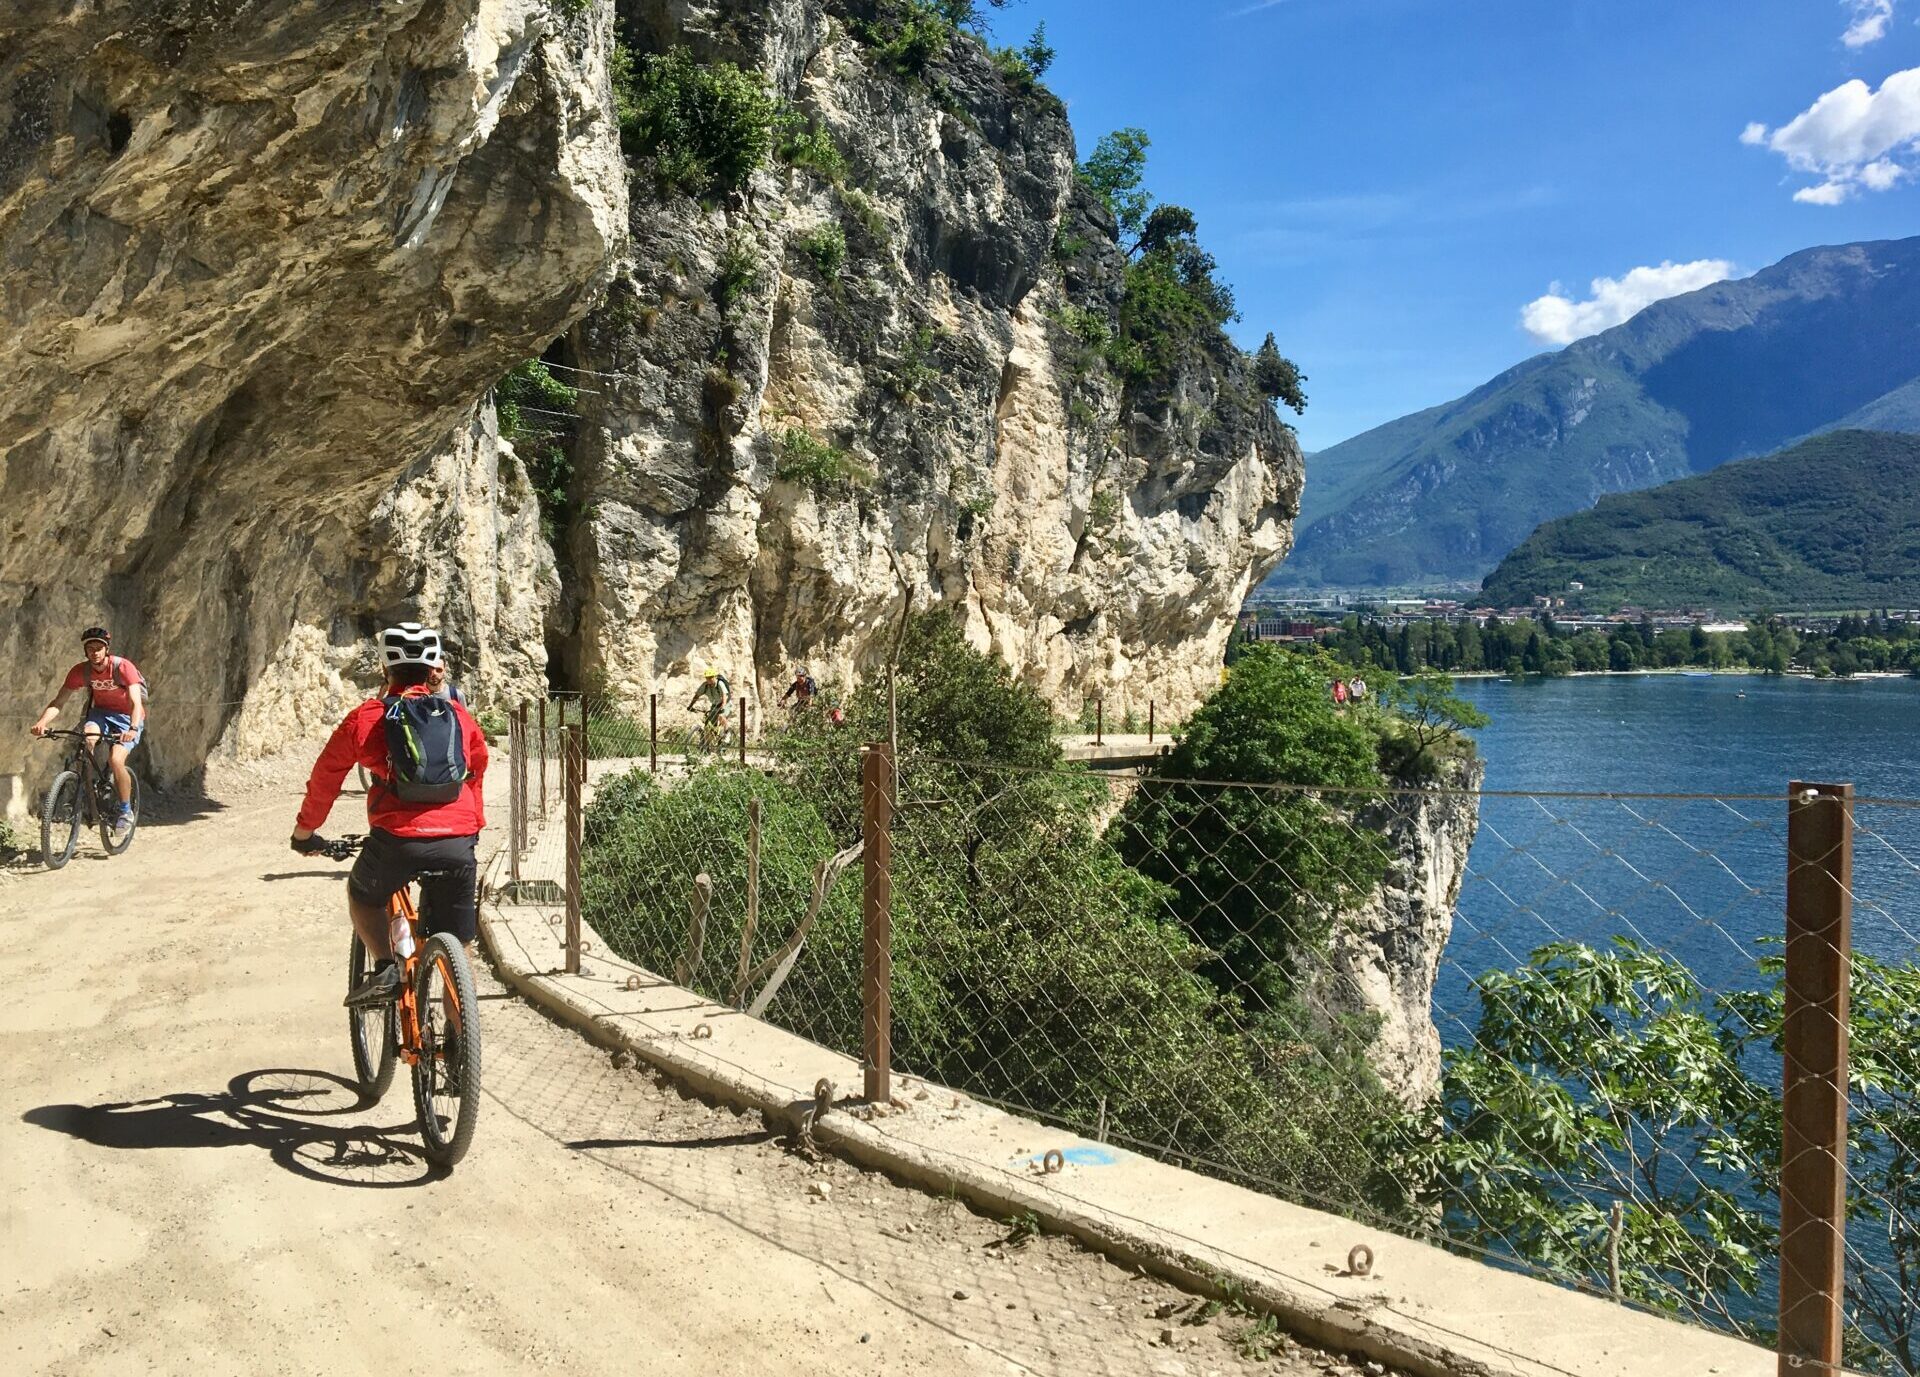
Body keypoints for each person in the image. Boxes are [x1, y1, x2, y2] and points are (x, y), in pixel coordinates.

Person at [290, 624, 488, 1008]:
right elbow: (477, 768)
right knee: (459, 947)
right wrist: (473, 826)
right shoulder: (459, 716)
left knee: (363, 895)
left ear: (385, 669)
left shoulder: (368, 717)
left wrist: (305, 832)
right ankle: (464, 1051)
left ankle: (385, 966)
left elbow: (326, 777)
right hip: (458, 842)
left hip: (398, 841)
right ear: (433, 668)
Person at [29, 627, 146, 841]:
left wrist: (132, 729)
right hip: (99, 714)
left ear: (106, 649)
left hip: (126, 717)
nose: (95, 652)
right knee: (86, 740)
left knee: (115, 759)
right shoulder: (80, 672)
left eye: (99, 648)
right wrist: (42, 722)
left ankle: (125, 810)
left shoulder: (122, 667)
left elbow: (136, 703)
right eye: (90, 648)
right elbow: (59, 702)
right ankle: (87, 790)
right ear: (85, 651)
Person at [687, 664, 732, 744]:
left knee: (721, 716)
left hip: (726, 703)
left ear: (714, 677)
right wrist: (690, 706)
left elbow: (724, 696)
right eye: (707, 677)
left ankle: (727, 733)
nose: (709, 679)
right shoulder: (705, 686)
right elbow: (696, 696)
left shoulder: (719, 684)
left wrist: (723, 706)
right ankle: (707, 745)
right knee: (709, 724)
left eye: (711, 677)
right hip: (715, 705)